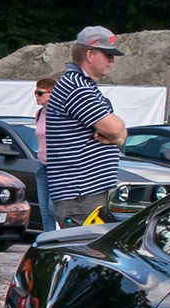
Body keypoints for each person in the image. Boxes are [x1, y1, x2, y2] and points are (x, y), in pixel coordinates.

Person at [44, 26, 127, 227]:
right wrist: (116, 137)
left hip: (85, 195)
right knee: (86, 255)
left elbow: (120, 133)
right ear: (90, 54)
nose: (112, 60)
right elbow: (116, 129)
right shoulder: (76, 88)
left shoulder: (84, 86)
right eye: (108, 54)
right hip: (80, 196)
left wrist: (117, 137)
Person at [33, 77, 57, 231]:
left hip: (57, 166)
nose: (36, 96)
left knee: (53, 208)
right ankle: (49, 239)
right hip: (42, 164)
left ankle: (62, 237)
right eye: (35, 93)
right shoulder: (39, 113)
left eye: (40, 93)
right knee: (44, 209)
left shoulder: (59, 114)